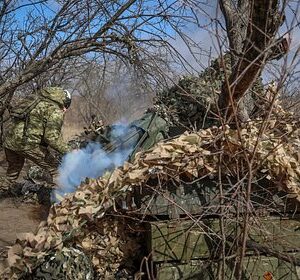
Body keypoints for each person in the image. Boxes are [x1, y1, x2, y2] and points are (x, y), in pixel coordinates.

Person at [0, 87, 71, 194]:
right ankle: (62, 200)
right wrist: (69, 151)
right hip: (27, 144)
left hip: (10, 141)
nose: (65, 109)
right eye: (66, 106)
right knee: (56, 169)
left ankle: (2, 190)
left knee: (12, 172)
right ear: (64, 102)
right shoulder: (55, 111)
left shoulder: (36, 101)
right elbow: (51, 138)